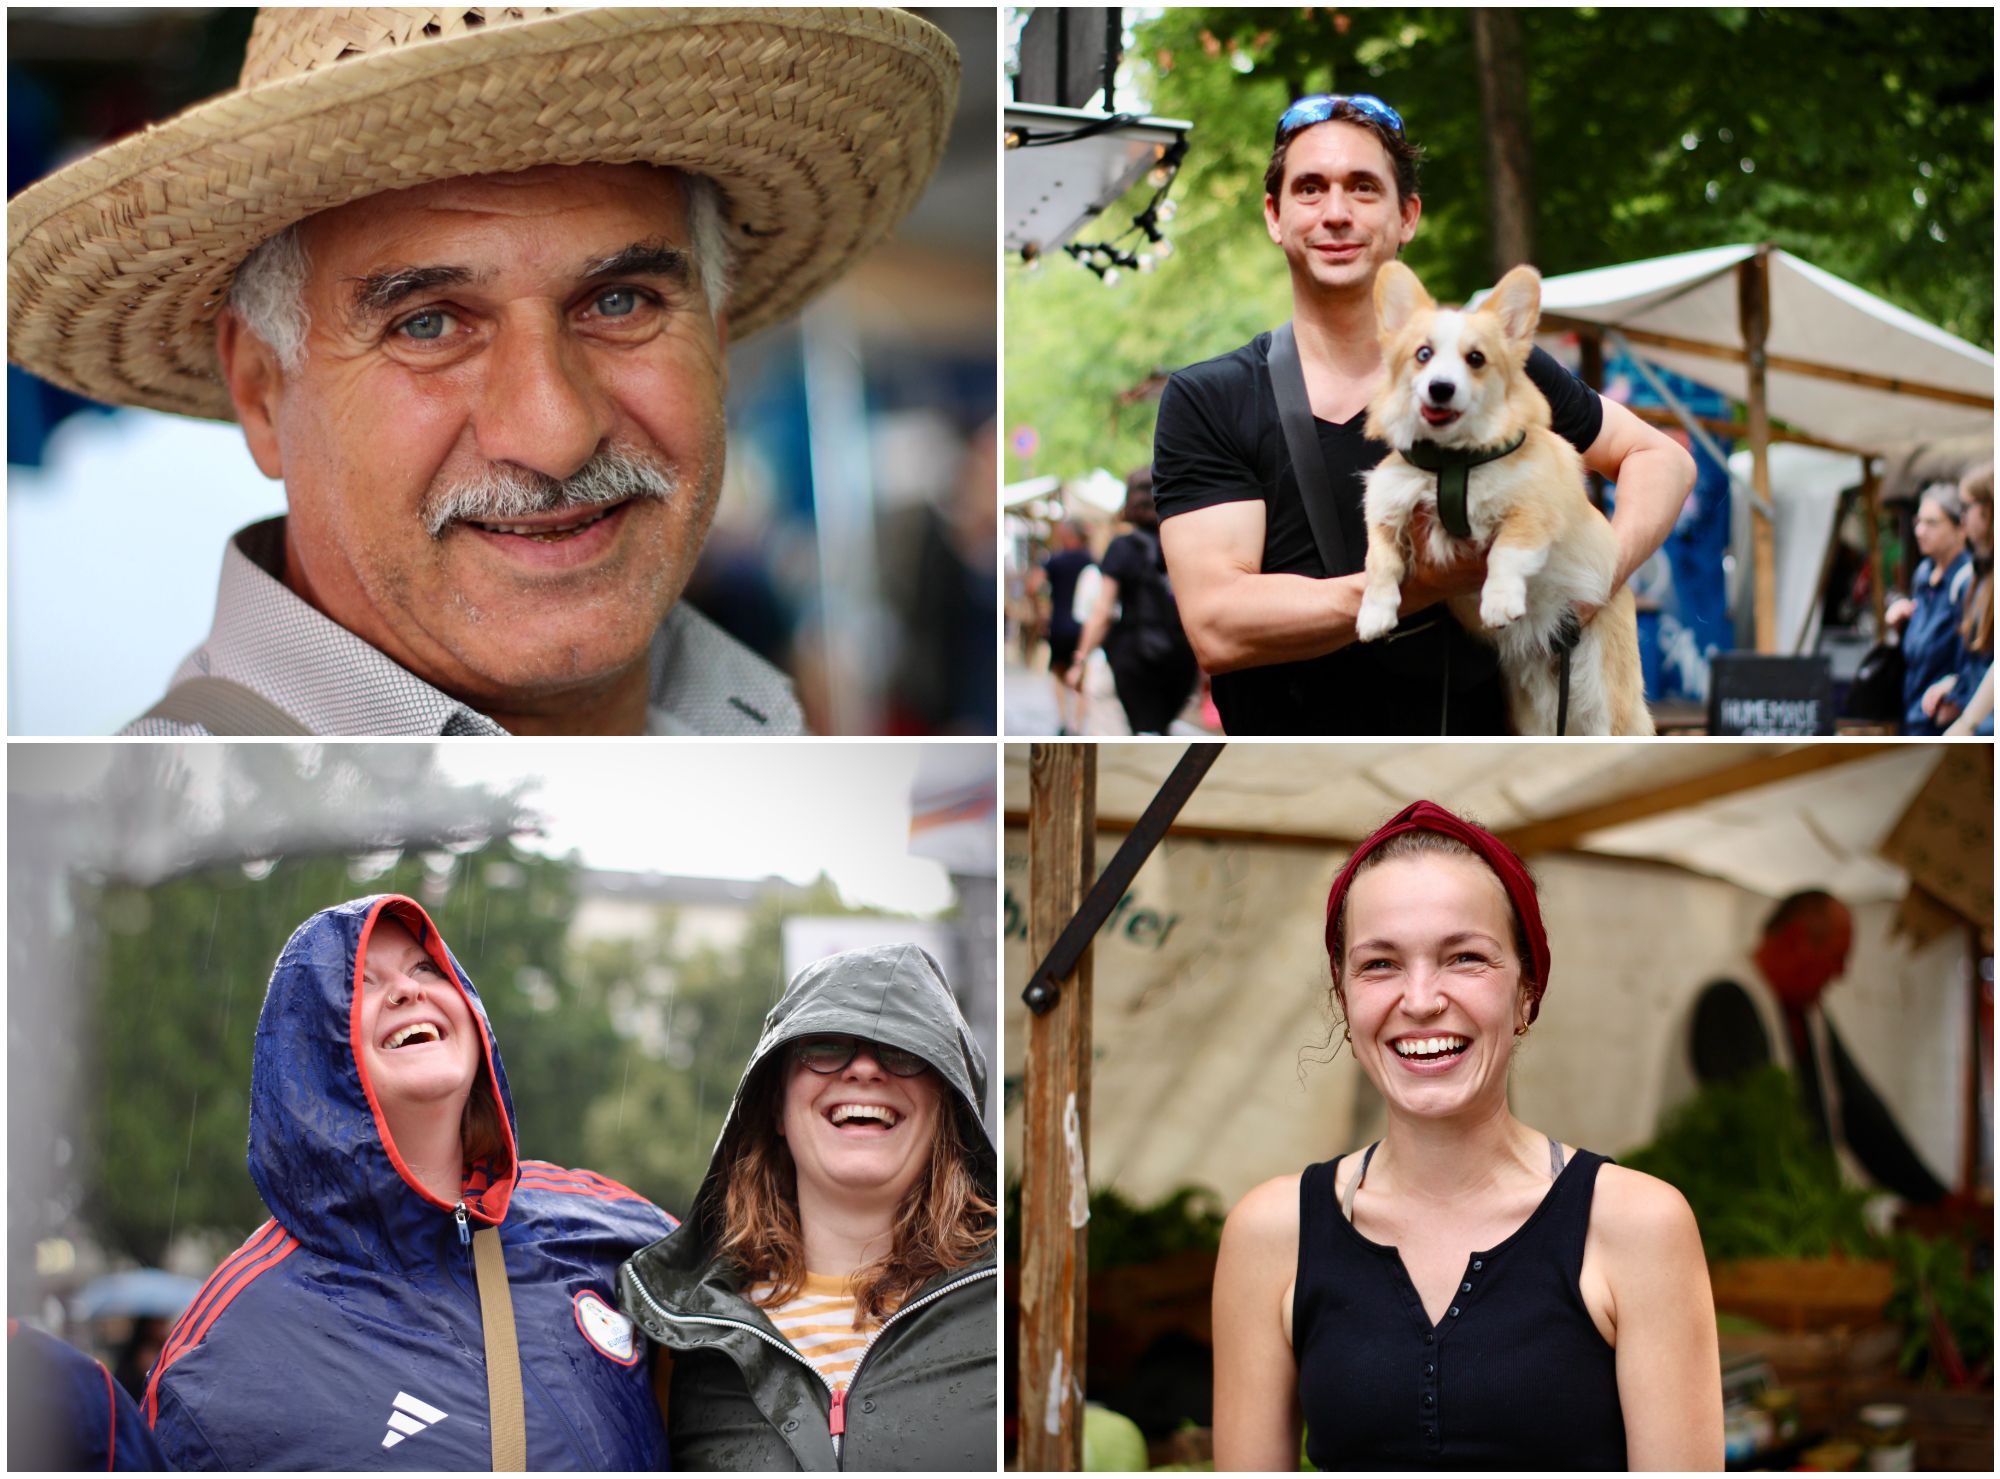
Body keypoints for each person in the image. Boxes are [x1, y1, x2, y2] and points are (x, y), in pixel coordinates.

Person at [7, 8, 959, 736]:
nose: (552, 432)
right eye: (428, 323)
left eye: (619, 302)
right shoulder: (143, 839)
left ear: (713, 334)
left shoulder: (751, 719)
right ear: (261, 388)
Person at [1151, 95, 1695, 734]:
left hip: (1484, 767)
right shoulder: (1209, 398)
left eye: (1362, 188)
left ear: (1406, 215)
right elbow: (1218, 625)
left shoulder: (1487, 365)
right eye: (1309, 189)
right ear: (1274, 216)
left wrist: (1594, 580)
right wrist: (1421, 586)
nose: (1335, 213)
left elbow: (1661, 459)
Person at [1213, 801, 1722, 1470]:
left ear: (1526, 992)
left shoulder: (1637, 1226)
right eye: (1379, 964)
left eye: (1465, 957)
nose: (1421, 998)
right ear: (1342, 994)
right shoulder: (1272, 1233)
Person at [146, 895, 679, 1469]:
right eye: (361, 983)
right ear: (311, 1053)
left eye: (425, 968)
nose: (407, 990)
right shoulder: (221, 1359)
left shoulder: (611, 1227)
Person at [619, 943, 996, 1471]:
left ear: (948, 1108)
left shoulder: (1015, 1305)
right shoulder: (677, 1330)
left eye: (903, 1050)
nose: (864, 1069)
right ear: (774, 1104)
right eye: (825, 1045)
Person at [1686, 891, 1948, 1205]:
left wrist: (1934, 1197)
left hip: (1788, 1211)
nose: (1841, 973)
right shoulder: (1727, 999)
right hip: (1723, 1212)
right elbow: (1751, 1130)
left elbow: (1861, 1113)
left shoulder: (1809, 1014)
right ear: (1797, 940)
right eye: (1838, 957)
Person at [1067, 468, 1200, 734]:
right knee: (1160, 729)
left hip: (1135, 657)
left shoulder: (1122, 547)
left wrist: (1080, 659)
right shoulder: (1185, 543)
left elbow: (1103, 610)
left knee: (1134, 729)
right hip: (1181, 656)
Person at [8, 1320, 169, 1471]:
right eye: (161, 1324)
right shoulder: (70, 1374)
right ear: (150, 1327)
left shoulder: (73, 1372)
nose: (166, 1328)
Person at [1885, 482, 1972, 735]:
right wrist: (1901, 623)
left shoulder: (1968, 582)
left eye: (1932, 523)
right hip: (1912, 711)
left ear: (1960, 528)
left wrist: (1957, 695)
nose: (1921, 531)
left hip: (1945, 718)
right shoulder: (1922, 575)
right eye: (1918, 522)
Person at [1922, 462, 1992, 735]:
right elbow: (1976, 664)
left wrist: (1968, 722)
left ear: (1988, 510)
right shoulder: (1977, 576)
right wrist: (1955, 686)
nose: (1963, 518)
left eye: (1967, 508)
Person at [1038, 521, 1097, 734]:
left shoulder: (1055, 560)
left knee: (1058, 673)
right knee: (1082, 679)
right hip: (1084, 627)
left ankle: (1064, 720)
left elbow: (1034, 586)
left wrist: (1041, 612)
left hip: (1059, 624)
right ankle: (1078, 726)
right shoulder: (1090, 560)